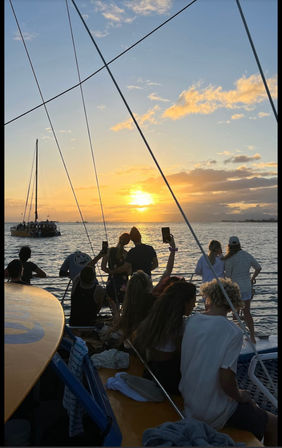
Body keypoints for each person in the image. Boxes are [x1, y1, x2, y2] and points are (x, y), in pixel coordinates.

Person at [179, 277, 277, 446]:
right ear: (234, 302)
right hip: (212, 412)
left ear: (208, 296)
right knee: (274, 423)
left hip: (189, 404)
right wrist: (240, 395)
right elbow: (226, 380)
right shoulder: (233, 332)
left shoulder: (191, 321)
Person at [134, 280, 196, 394]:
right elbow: (181, 353)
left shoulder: (158, 315)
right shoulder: (177, 324)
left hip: (152, 369)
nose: (194, 305)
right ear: (185, 302)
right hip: (168, 376)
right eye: (193, 301)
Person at [224, 236, 261, 344]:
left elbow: (229, 275)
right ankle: (252, 338)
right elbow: (258, 268)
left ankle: (238, 339)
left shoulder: (229, 258)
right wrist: (252, 278)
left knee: (235, 313)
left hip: (235, 288)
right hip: (246, 287)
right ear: (239, 245)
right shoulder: (246, 255)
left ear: (229, 246)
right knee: (247, 312)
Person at [101, 233, 131, 318]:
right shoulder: (127, 254)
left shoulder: (109, 250)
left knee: (114, 308)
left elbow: (103, 267)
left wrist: (111, 272)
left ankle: (115, 322)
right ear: (128, 242)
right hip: (124, 283)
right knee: (124, 307)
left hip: (112, 281)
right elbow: (129, 272)